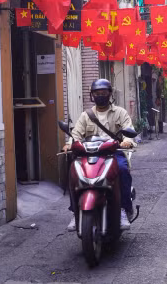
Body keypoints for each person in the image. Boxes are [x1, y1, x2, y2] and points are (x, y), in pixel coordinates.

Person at [63, 78, 135, 232]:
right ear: (92, 95)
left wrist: (127, 141)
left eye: (104, 92)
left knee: (122, 170)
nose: (100, 95)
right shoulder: (86, 115)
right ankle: (74, 211)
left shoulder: (120, 112)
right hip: (89, 154)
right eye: (97, 93)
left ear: (110, 94)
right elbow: (76, 134)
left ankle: (123, 210)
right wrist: (69, 144)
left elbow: (129, 129)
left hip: (113, 153)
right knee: (73, 171)